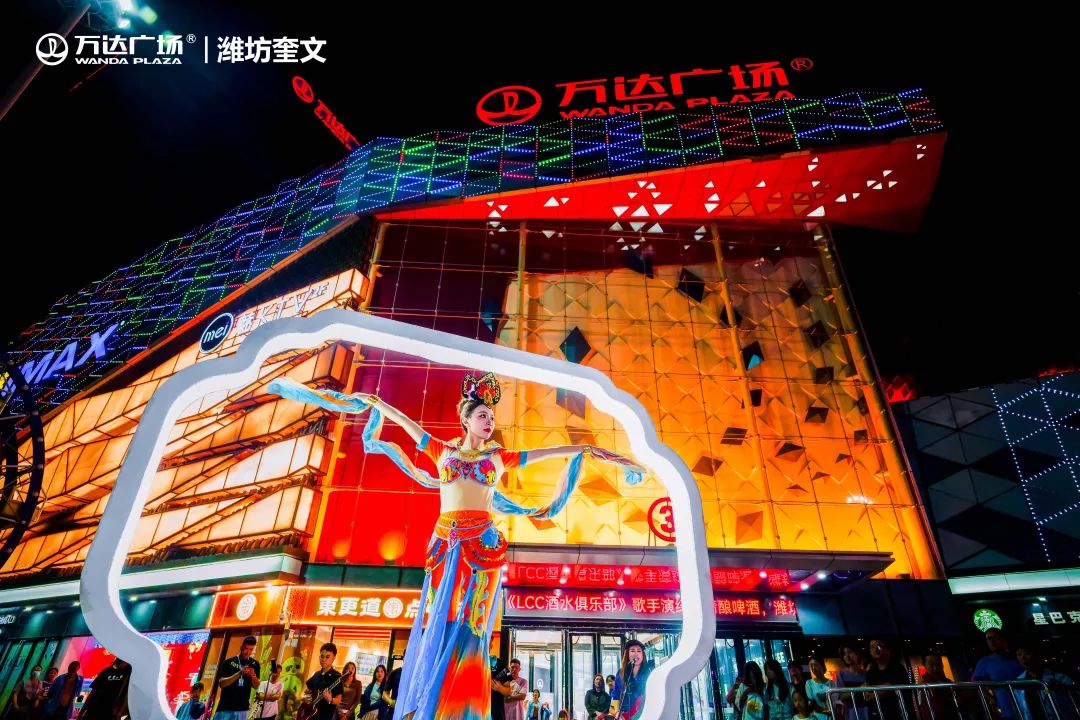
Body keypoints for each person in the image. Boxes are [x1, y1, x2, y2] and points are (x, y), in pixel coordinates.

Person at [270, 372, 643, 720]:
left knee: (473, 626)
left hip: (482, 545)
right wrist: (379, 404)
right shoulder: (442, 450)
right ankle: (433, 702)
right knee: (440, 620)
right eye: (482, 415)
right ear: (466, 420)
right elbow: (407, 424)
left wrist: (583, 448)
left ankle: (463, 705)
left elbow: (548, 452)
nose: (489, 422)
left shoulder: (498, 457)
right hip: (445, 545)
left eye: (491, 417)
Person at [972, 629, 1025, 720]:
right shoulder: (985, 661)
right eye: (989, 638)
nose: (992, 641)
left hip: (1029, 706)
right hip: (1007, 712)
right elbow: (975, 683)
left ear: (1003, 639)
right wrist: (991, 699)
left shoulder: (1018, 657)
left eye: (995, 637)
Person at [1014, 643, 1076, 720]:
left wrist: (1062, 689)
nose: (1023, 657)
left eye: (1027, 653)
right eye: (1019, 654)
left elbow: (1074, 697)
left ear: (1037, 656)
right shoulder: (1018, 682)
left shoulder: (1059, 677)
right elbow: (1022, 709)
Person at [864, 639, 912, 720]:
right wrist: (884, 690)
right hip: (878, 715)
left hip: (898, 714)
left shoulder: (898, 668)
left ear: (887, 649)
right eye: (872, 647)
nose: (875, 649)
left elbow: (896, 688)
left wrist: (876, 692)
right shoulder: (871, 672)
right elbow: (867, 695)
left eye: (878, 646)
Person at [216, 636, 261, 720]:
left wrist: (253, 676)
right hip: (225, 707)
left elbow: (256, 686)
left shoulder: (255, 664)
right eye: (246, 648)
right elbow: (221, 683)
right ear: (241, 647)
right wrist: (239, 673)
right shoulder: (228, 662)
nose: (248, 652)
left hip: (243, 708)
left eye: (251, 649)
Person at [611, 640, 654, 720]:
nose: (636, 653)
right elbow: (616, 696)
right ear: (627, 654)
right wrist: (617, 712)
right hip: (624, 715)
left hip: (644, 714)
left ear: (643, 655)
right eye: (632, 651)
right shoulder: (620, 673)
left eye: (639, 651)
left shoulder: (649, 672)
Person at [302, 643, 343, 720]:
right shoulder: (316, 674)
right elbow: (306, 691)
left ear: (334, 658)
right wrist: (304, 697)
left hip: (325, 717)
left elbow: (338, 699)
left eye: (327, 657)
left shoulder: (337, 676)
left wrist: (330, 700)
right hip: (310, 715)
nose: (324, 659)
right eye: (322, 656)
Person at [837, 646, 868, 720]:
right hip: (851, 713)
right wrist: (859, 689)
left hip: (867, 711)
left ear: (857, 654)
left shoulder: (866, 674)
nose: (847, 656)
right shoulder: (841, 674)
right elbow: (841, 696)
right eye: (844, 654)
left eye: (849, 652)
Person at [490, 655, 512, 720]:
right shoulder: (468, 660)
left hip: (495, 714)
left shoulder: (498, 663)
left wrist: (500, 688)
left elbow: (509, 691)